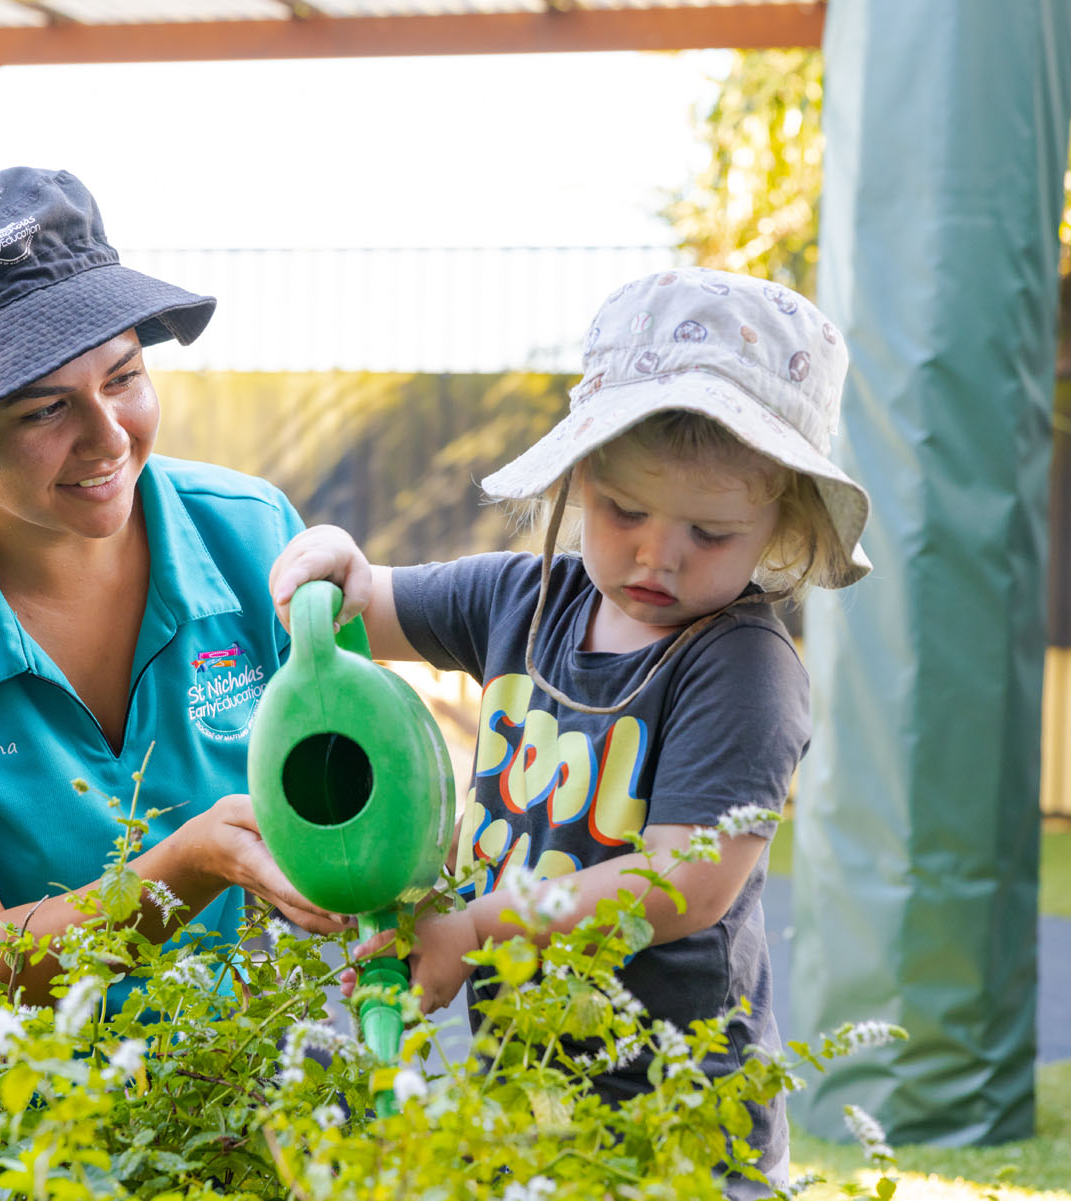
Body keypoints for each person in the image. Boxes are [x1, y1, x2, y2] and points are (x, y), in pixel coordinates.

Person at [268, 267, 871, 1197]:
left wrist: (473, 929)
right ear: (581, 472)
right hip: (525, 1095)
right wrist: (334, 557)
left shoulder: (741, 664)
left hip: (680, 1124)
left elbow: (686, 881)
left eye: (710, 532)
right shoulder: (525, 594)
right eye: (626, 510)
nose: (656, 555)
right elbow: (369, 608)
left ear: (778, 524)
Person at [0, 166, 347, 1047]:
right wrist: (185, 865)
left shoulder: (252, 533)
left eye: (124, 377)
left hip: (201, 1082)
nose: (110, 438)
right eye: (47, 408)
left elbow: (359, 791)